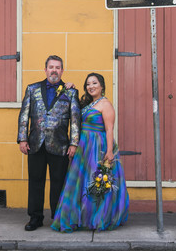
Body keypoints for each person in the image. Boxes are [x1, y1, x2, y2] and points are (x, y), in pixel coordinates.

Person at [51, 72, 129, 232]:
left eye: (94, 83)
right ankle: (81, 216)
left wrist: (109, 151)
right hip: (83, 146)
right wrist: (70, 86)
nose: (91, 86)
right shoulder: (87, 104)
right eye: (88, 84)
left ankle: (98, 217)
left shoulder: (106, 104)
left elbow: (109, 129)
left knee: (97, 181)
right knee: (81, 181)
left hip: (98, 146)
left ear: (102, 86)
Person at [17, 55, 80, 231]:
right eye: (51, 67)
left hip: (60, 145)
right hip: (35, 143)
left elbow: (75, 120)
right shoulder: (32, 89)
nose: (54, 70)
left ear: (62, 70)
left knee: (58, 182)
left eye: (58, 67)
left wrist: (74, 143)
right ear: (45, 70)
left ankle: (57, 217)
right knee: (35, 182)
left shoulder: (71, 92)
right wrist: (22, 138)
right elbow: (24, 115)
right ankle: (35, 218)